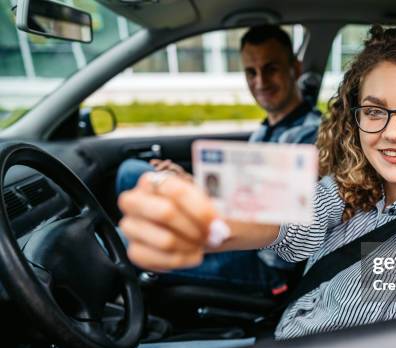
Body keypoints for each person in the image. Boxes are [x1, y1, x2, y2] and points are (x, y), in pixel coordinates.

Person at [118, 25, 396, 340]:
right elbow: (292, 217)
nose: (393, 132)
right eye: (374, 111)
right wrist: (208, 222)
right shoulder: (354, 187)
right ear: (355, 117)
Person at [115, 25, 321, 296]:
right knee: (133, 172)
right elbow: (247, 194)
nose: (260, 82)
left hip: (266, 263)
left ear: (294, 68)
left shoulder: (313, 137)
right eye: (251, 72)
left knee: (122, 243)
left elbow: (285, 216)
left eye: (271, 68)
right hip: (238, 238)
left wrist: (198, 193)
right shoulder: (264, 130)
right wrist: (192, 184)